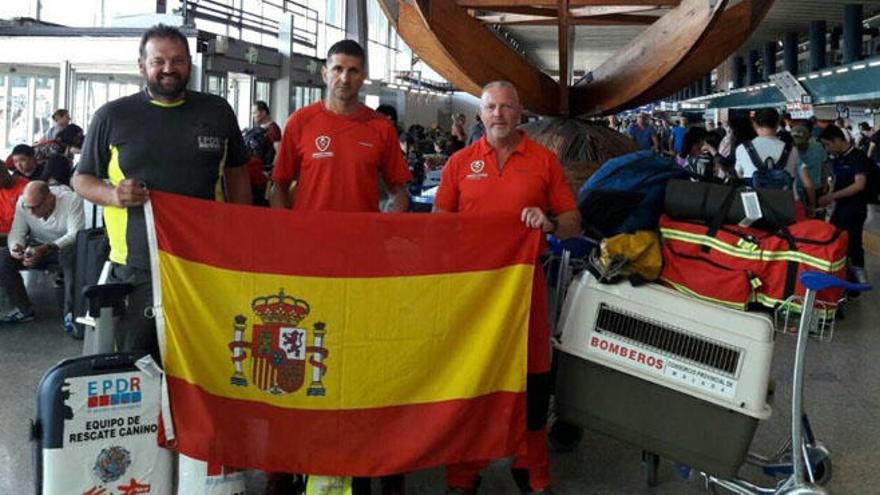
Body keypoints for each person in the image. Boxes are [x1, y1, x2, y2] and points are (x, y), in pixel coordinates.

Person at [269, 39, 411, 495]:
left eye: (353, 70)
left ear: (363, 76)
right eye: (337, 69)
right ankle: (285, 464)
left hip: (361, 268)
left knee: (355, 360)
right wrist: (287, 234)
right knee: (297, 359)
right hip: (307, 267)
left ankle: (364, 458)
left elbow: (399, 191)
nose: (345, 78)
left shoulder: (380, 129)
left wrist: (389, 222)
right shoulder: (302, 123)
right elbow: (277, 186)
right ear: (324, 72)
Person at [434, 80, 581, 495]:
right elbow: (438, 227)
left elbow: (573, 222)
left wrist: (549, 222)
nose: (499, 114)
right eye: (491, 107)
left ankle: (532, 470)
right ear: (480, 114)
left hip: (524, 290)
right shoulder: (459, 163)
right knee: (470, 382)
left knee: (533, 384)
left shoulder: (543, 162)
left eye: (507, 107)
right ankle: (463, 475)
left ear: (521, 114)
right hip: (472, 294)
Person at [73, 24, 252, 359]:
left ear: (190, 65)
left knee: (204, 358)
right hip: (138, 267)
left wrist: (241, 229)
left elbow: (238, 172)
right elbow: (81, 179)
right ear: (142, 65)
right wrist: (113, 195)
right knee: (138, 362)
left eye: (178, 60)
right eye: (159, 61)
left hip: (205, 262)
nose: (168, 68)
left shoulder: (217, 111)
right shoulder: (112, 116)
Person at [0, 181, 83, 329]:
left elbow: (75, 234)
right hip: (37, 246)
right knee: (3, 257)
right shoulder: (23, 203)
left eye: (36, 207)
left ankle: (71, 313)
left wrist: (47, 248)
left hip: (63, 248)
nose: (31, 212)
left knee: (70, 256)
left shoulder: (72, 200)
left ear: (50, 199)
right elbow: (17, 232)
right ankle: (23, 309)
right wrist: (16, 249)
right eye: (28, 207)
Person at [818, 125, 871, 285]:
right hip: (841, 207)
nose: (827, 149)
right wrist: (830, 198)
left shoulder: (858, 157)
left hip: (855, 208)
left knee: (853, 241)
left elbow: (859, 185)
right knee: (835, 239)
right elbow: (836, 180)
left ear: (837, 140)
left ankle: (859, 279)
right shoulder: (839, 158)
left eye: (828, 144)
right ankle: (841, 275)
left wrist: (832, 196)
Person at [734, 108, 800, 184]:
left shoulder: (742, 148)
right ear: (777, 124)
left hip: (753, 194)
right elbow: (796, 175)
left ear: (754, 124)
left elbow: (739, 174)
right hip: (784, 195)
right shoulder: (793, 150)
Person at [244, 100, 282, 206]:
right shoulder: (257, 130)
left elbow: (279, 152)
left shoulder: (273, 130)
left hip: (263, 174)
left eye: (255, 113)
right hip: (254, 173)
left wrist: (271, 173)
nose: (253, 116)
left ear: (263, 113)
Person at [790, 125, 825, 216]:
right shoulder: (791, 151)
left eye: (801, 143)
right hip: (799, 192)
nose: (799, 145)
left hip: (817, 189)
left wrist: (825, 184)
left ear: (809, 138)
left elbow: (824, 166)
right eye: (796, 143)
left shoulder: (818, 147)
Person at [0, 168, 27, 236]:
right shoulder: (1, 189)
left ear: (4, 173)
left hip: (16, 235)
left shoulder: (25, 189)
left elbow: (24, 225)